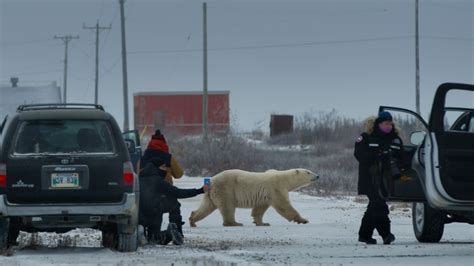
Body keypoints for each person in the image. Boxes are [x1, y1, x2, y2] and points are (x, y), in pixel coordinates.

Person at [354, 111, 406, 245]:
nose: (388, 126)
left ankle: (364, 235)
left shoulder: (395, 139)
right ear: (378, 124)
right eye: (385, 123)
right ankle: (386, 234)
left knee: (374, 206)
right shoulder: (366, 137)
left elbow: (402, 157)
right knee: (379, 206)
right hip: (370, 179)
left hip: (386, 180)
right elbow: (359, 155)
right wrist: (377, 156)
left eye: (390, 123)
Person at [139, 157, 209, 245]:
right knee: (174, 203)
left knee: (145, 240)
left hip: (138, 215)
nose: (166, 170)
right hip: (154, 214)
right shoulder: (159, 182)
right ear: (157, 167)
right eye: (163, 167)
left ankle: (139, 232)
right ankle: (173, 232)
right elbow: (178, 193)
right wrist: (200, 190)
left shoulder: (137, 179)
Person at [138, 130, 186, 236]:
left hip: (145, 197)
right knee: (175, 206)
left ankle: (143, 231)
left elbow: (137, 175)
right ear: (164, 143)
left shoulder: (143, 158)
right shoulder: (168, 157)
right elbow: (179, 174)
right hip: (164, 195)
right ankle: (176, 231)